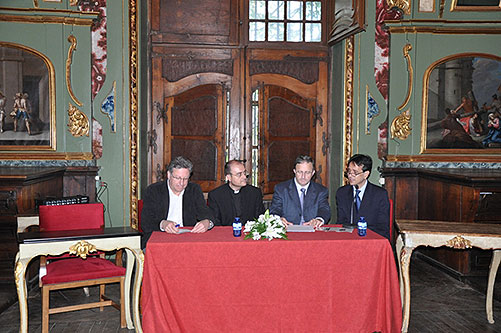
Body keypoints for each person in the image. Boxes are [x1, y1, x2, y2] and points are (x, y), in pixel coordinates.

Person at [140, 156, 214, 248]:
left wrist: (207, 222)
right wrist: (163, 224)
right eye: (177, 178)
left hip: (188, 240)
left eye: (185, 179)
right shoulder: (153, 190)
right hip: (161, 239)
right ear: (169, 175)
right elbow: (146, 222)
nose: (181, 183)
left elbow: (206, 213)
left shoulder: (194, 190)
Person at [335, 154, 390, 240]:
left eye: (355, 173)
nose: (350, 175)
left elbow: (383, 228)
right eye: (349, 171)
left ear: (366, 174)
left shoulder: (380, 195)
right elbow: (341, 223)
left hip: (371, 240)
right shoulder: (342, 193)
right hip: (347, 240)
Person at [270, 155, 330, 228]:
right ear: (294, 171)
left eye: (307, 172)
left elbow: (324, 210)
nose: (303, 176)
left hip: (313, 232)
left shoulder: (321, 191)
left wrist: (319, 220)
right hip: (288, 232)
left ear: (313, 173)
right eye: (300, 172)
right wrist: (278, 219)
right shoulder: (281, 189)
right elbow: (275, 210)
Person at [208, 160, 265, 226]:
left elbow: (261, 218)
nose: (244, 177)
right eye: (239, 174)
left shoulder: (255, 193)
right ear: (229, 177)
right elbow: (215, 222)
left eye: (244, 173)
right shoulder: (216, 195)